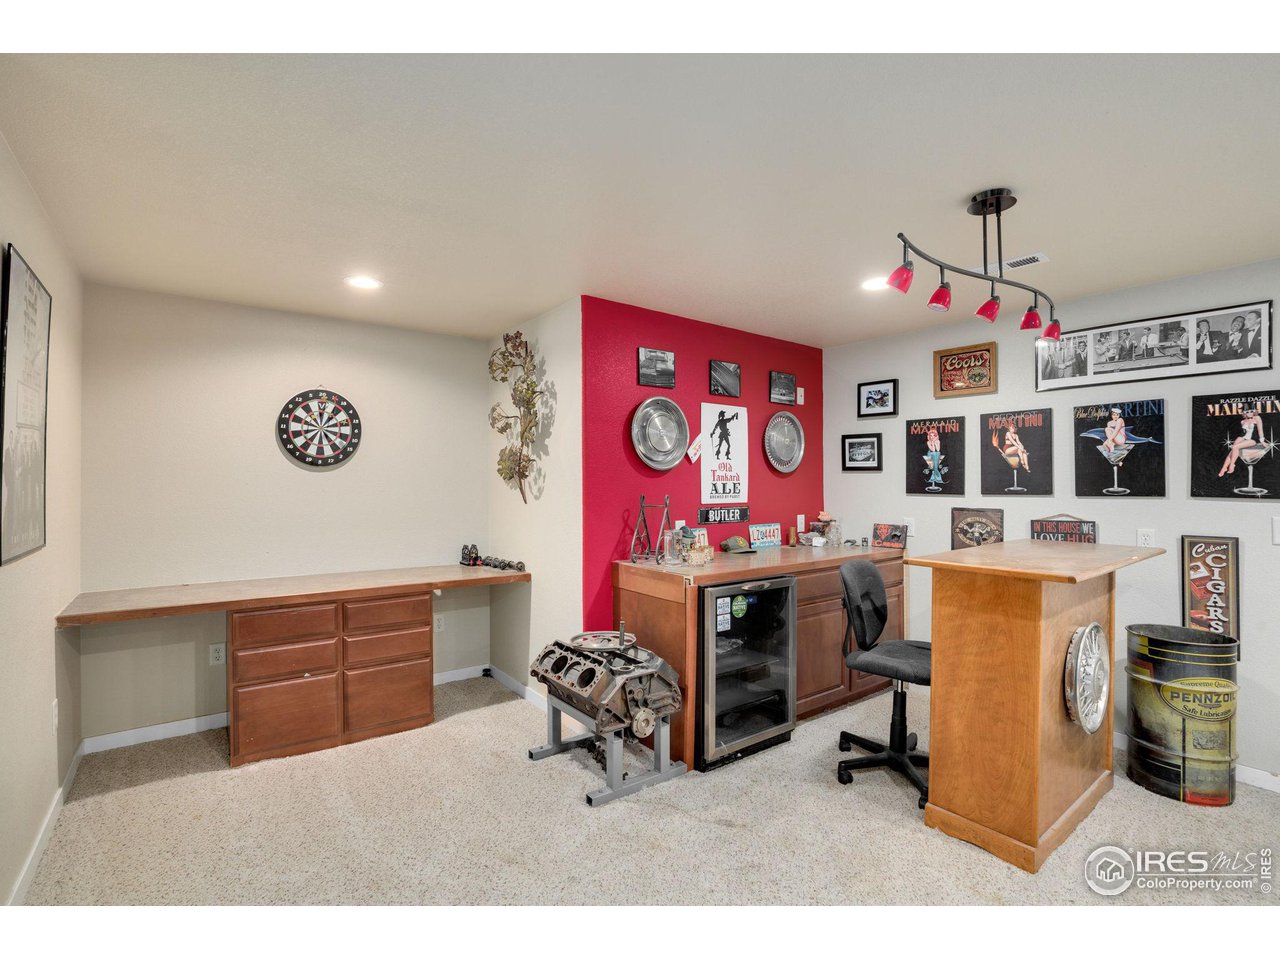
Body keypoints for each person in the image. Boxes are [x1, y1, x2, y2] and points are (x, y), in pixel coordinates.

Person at [1219, 407, 1264, 476]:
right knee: (1232, 451)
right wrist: (1240, 439)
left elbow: (1260, 430)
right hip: (1243, 437)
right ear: (1244, 413)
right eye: (1247, 412)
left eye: (1251, 411)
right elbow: (1244, 433)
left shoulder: (1257, 418)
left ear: (1254, 411)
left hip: (1253, 439)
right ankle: (1223, 468)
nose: (1249, 413)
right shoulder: (1242, 421)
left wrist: (1262, 441)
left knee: (1235, 447)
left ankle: (1232, 465)